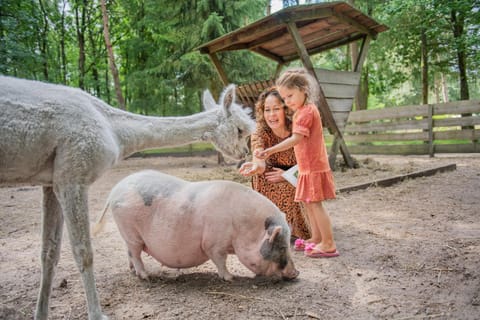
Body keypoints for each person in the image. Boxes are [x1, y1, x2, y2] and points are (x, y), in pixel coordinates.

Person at [254, 67, 339, 258]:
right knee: (309, 203)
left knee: (316, 205)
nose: (287, 101)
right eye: (284, 98)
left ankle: (329, 243)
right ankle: (316, 238)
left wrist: (271, 150)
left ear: (304, 90)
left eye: (290, 95)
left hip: (313, 167)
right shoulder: (303, 111)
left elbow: (296, 139)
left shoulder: (306, 112)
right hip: (306, 168)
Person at [239, 87, 311, 241]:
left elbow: (310, 164)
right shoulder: (259, 131)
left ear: (286, 109)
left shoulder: (298, 129)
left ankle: (294, 228)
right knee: (261, 177)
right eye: (267, 110)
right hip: (270, 174)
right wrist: (254, 167)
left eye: (276, 109)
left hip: (299, 175)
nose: (271, 115)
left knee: (291, 188)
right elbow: (259, 159)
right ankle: (267, 227)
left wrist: (286, 176)